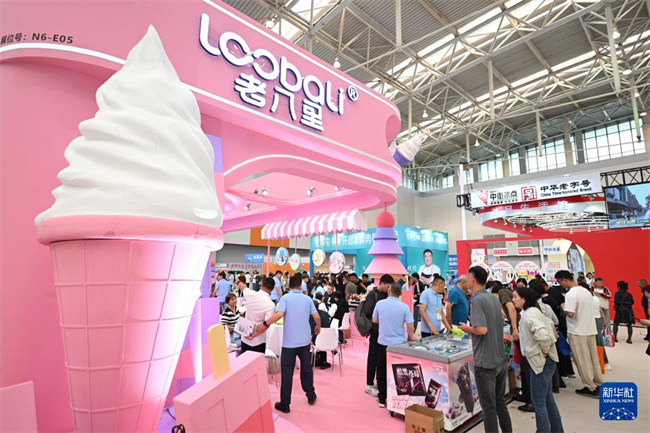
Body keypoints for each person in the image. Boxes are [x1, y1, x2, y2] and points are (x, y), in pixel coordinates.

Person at [252, 274, 320, 413]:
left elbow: (279, 314)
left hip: (289, 343)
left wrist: (265, 323)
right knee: (306, 369)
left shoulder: (285, 298)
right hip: (304, 341)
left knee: (287, 373)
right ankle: (310, 394)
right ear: (300, 286)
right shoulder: (307, 299)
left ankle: (285, 403)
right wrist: (318, 327)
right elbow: (317, 317)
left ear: (289, 286)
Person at [459, 266, 512, 433]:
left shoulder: (477, 300)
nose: (466, 281)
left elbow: (481, 330)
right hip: (499, 358)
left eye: (467, 278)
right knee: (500, 402)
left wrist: (466, 328)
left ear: (472, 280)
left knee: (488, 408)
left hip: (486, 362)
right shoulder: (492, 298)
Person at [513, 287, 565, 433]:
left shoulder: (529, 315)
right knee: (547, 399)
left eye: (515, 296)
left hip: (540, 363)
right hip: (544, 361)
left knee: (538, 402)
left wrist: (545, 349)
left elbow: (543, 335)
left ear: (524, 299)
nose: (513, 299)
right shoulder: (533, 312)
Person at [555, 270, 603, 397]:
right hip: (589, 329)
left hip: (577, 331)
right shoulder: (585, 291)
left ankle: (590, 387)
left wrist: (563, 307)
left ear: (565, 280)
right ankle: (597, 383)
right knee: (593, 359)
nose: (560, 284)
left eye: (559, 282)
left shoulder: (571, 294)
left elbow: (571, 313)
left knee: (582, 360)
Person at [373, 282, 416, 409]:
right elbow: (410, 325)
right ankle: (398, 400)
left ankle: (382, 399)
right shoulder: (404, 307)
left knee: (381, 371)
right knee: (399, 372)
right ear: (400, 293)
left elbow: (374, 320)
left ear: (389, 291)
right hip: (399, 345)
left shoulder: (380, 304)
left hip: (383, 343)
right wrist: (411, 337)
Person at [364, 274, 393, 397]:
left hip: (385, 330)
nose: (388, 289)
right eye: (387, 286)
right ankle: (369, 384)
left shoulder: (388, 295)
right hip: (375, 330)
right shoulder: (372, 294)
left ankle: (378, 381)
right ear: (381, 283)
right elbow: (368, 311)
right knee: (373, 356)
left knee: (382, 358)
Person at [242, 277, 276, 354]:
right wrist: (254, 335)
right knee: (257, 361)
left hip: (245, 335)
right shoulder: (271, 304)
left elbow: (243, 286)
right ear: (272, 289)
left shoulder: (250, 294)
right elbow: (266, 324)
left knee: (244, 360)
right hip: (259, 339)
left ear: (262, 284)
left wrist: (238, 282)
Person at [310, 300, 332, 369]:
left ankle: (314, 359)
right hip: (329, 337)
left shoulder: (309, 315)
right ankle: (323, 360)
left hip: (316, 338)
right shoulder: (325, 314)